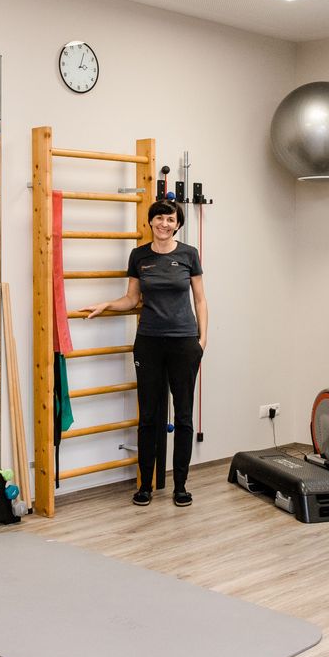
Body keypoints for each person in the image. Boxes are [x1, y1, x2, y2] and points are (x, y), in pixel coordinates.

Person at [81, 199, 208, 507]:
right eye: (159, 218)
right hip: (149, 342)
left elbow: (200, 299)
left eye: (171, 219)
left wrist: (202, 340)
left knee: (184, 416)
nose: (164, 223)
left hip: (184, 343)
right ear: (151, 221)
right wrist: (107, 304)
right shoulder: (139, 255)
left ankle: (181, 486)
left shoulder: (189, 254)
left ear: (178, 224)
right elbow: (131, 298)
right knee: (148, 416)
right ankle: (145, 487)